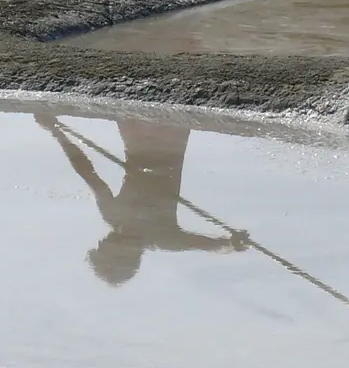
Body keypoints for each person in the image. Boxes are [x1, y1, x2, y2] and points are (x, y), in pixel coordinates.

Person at [36, 115, 249, 286]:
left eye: (100, 248)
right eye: (102, 250)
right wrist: (232, 244)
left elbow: (86, 171)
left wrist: (57, 133)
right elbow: (211, 245)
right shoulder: (164, 238)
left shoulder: (113, 215)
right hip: (170, 143)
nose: (100, 243)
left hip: (135, 139)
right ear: (122, 256)